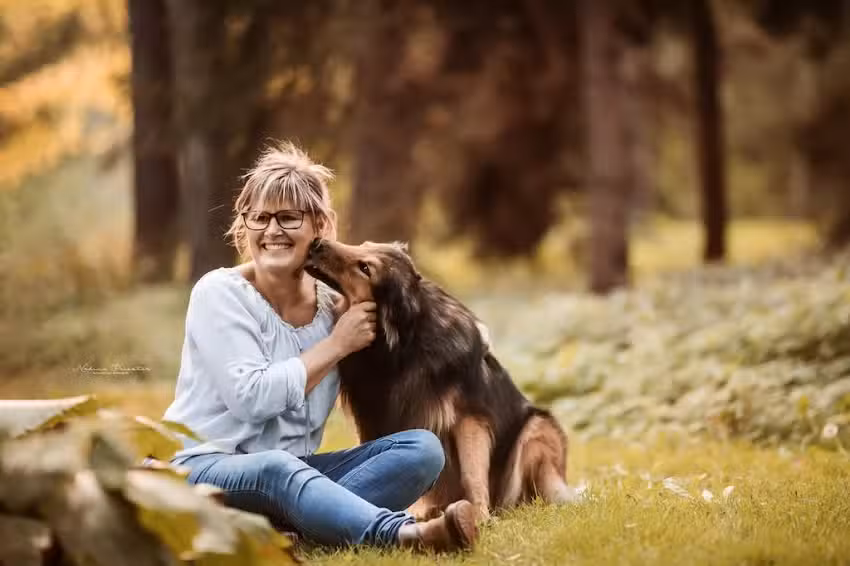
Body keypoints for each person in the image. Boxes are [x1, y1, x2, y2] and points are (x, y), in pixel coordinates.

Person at [161, 141, 478, 552]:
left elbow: (405, 318)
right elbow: (252, 399)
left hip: (295, 472)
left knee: (421, 449)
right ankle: (402, 534)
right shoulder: (219, 294)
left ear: (319, 227)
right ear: (244, 227)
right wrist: (336, 345)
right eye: (258, 218)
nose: (272, 231)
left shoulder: (334, 304)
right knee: (278, 467)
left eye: (288, 218)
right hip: (206, 466)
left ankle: (297, 531)